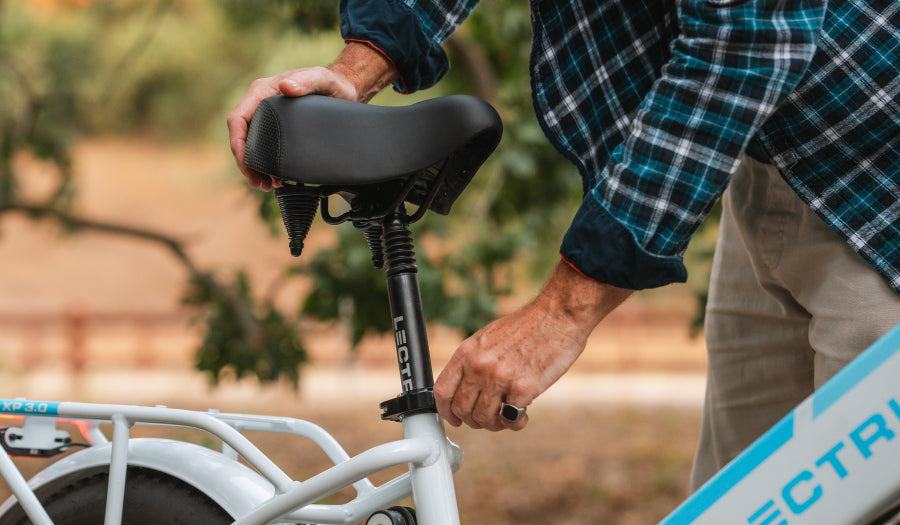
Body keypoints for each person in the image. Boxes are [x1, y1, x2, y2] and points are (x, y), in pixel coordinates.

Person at [228, 0, 900, 490]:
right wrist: (355, 70)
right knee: (740, 498)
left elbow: (751, 40)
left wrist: (561, 314)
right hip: (771, 165)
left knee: (866, 495)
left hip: (879, 179)